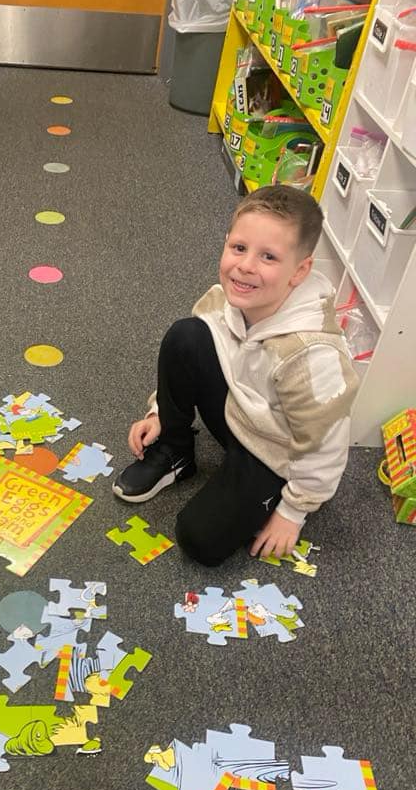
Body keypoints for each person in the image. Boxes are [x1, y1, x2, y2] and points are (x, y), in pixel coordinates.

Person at [113, 185, 358, 567]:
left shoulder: (312, 355)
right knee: (187, 335)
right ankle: (176, 452)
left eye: (269, 257)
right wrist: (160, 413)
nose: (245, 266)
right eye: (239, 248)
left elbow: (325, 444)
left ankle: (265, 492)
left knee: (200, 540)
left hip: (276, 454)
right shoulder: (226, 296)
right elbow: (193, 357)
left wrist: (293, 512)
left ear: (301, 270)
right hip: (241, 411)